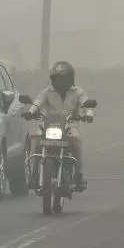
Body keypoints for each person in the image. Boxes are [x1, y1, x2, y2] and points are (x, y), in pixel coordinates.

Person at [26, 61, 94, 191]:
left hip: (70, 124)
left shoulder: (78, 92)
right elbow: (37, 103)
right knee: (36, 139)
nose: (59, 82)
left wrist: (89, 114)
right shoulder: (47, 91)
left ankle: (78, 175)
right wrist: (31, 112)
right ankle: (34, 174)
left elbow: (86, 104)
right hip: (48, 124)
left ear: (70, 79)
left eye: (62, 79)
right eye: (56, 79)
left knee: (76, 142)